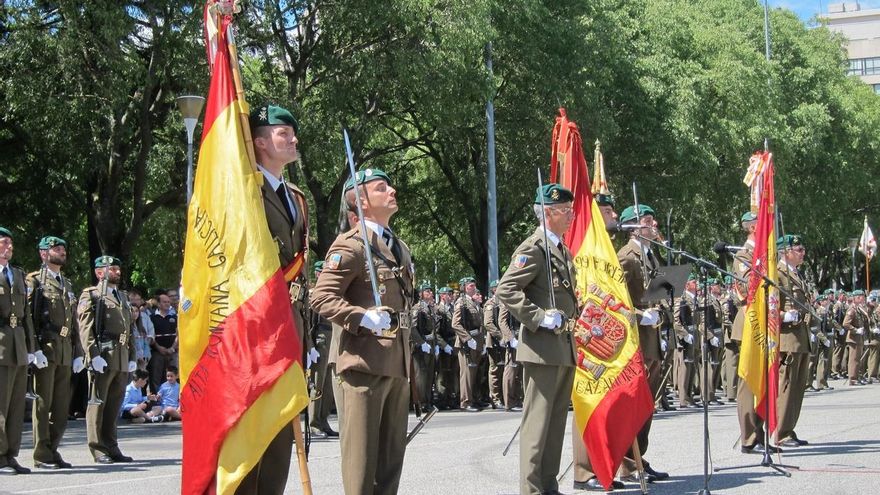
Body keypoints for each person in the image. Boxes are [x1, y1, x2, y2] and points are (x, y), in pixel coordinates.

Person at [310, 167, 414, 495]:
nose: (392, 191)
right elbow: (321, 297)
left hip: (396, 364)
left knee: (389, 466)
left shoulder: (399, 246)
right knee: (361, 466)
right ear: (362, 202)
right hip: (363, 366)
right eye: (381, 188)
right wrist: (363, 317)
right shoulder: (351, 245)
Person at [237, 104, 311, 494]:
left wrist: (306, 335)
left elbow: (301, 268)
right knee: (253, 429)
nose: (294, 139)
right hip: (257, 326)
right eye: (284, 133)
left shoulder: (296, 197)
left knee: (283, 427)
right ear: (261, 142)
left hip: (291, 322)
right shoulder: (243, 189)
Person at [496, 183, 578, 495]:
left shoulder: (560, 249)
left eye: (570, 210)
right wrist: (539, 316)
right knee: (537, 424)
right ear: (547, 213)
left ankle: (548, 485)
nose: (571, 215)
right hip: (542, 348)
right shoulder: (534, 248)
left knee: (555, 425)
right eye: (564, 210)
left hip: (562, 347)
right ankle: (531, 490)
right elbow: (507, 289)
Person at [614, 204, 669, 482]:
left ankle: (639, 458)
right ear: (633, 227)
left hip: (652, 338)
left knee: (647, 404)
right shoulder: (626, 257)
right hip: (636, 339)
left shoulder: (650, 255)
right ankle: (628, 462)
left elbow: (656, 295)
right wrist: (639, 316)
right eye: (648, 221)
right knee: (635, 404)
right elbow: (615, 301)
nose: (654, 224)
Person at [26, 236, 85, 469]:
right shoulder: (34, 281)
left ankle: (53, 449)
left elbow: (74, 322)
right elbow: (28, 318)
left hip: (65, 350)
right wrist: (34, 349)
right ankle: (41, 454)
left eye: (63, 248)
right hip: (46, 347)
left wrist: (78, 351)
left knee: (61, 406)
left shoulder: (66, 283)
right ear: (43, 254)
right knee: (43, 404)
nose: (62, 251)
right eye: (56, 248)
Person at [78, 255, 137, 464]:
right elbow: (85, 327)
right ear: (99, 272)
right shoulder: (92, 295)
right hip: (104, 354)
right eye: (112, 269)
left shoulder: (122, 296)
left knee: (114, 405)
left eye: (117, 269)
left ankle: (112, 445)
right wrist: (92, 355)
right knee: (98, 403)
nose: (117, 272)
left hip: (121, 356)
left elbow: (130, 328)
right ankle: (97, 448)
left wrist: (132, 355)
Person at [0, 227, 41, 475]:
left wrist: (31, 347)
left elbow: (26, 316)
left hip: (18, 345)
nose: (9, 247)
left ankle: (10, 454)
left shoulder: (17, 274)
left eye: (10, 243)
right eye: (4, 242)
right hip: (1, 344)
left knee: (16, 405)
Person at [775, 234, 811, 448]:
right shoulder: (778, 274)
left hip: (801, 336)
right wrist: (783, 316)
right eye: (799, 249)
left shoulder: (796, 274)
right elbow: (770, 304)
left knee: (797, 387)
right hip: (787, 337)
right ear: (785, 251)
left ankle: (788, 428)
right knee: (787, 385)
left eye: (802, 249)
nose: (802, 253)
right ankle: (780, 431)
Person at [308, 261, 338, 438]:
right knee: (317, 382)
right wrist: (310, 346)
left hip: (332, 338)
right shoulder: (314, 294)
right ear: (318, 274)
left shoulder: (332, 293)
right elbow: (310, 322)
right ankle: (313, 422)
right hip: (320, 339)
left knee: (328, 385)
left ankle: (323, 420)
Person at [453, 276, 485, 412]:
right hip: (466, 343)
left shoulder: (473, 302)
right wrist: (467, 338)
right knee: (466, 374)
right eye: (471, 286)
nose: (474, 287)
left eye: (474, 285)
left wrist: (481, 342)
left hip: (476, 341)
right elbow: (455, 324)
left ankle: (473, 399)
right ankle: (465, 402)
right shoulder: (462, 302)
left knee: (473, 373)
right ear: (465, 287)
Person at [410, 282, 437, 408]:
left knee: (429, 374)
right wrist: (421, 343)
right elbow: (412, 327)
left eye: (431, 291)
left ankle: (427, 400)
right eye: (427, 291)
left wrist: (435, 344)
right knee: (421, 375)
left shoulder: (429, 308)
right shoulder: (417, 308)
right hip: (421, 345)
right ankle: (420, 402)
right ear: (421, 294)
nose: (430, 293)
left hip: (430, 343)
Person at [434, 287, 458, 409]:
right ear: (442, 296)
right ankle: (442, 399)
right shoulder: (438, 310)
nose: (451, 296)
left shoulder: (452, 308)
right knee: (443, 374)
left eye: (451, 294)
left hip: (454, 344)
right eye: (449, 294)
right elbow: (436, 332)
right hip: (445, 344)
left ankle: (452, 398)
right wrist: (444, 345)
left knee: (453, 372)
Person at [148, 291, 177, 394]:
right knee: (155, 377)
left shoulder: (174, 317)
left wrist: (172, 348)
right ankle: (156, 398)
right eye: (164, 302)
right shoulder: (151, 317)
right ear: (159, 304)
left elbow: (178, 334)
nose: (167, 304)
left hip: (172, 352)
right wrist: (159, 347)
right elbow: (150, 335)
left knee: (173, 376)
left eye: (168, 302)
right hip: (157, 353)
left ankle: (171, 398)